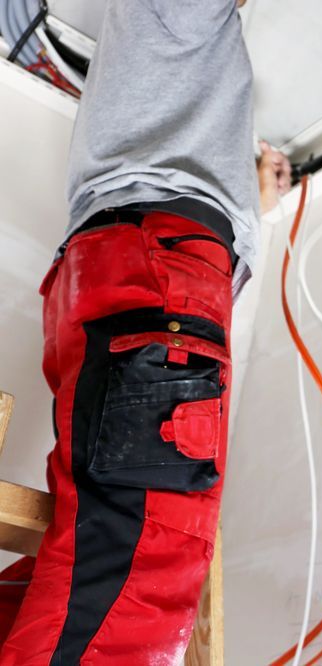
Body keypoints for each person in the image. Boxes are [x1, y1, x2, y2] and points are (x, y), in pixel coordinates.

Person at [0, 1, 289, 662]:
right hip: (139, 269)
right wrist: (253, 217)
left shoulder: (173, 24)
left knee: (131, 581)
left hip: (152, 267)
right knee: (95, 572)